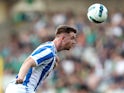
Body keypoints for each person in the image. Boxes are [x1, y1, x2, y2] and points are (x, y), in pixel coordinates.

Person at [5, 25, 77, 93]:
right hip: (23, 89)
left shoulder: (49, 48)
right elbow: (28, 61)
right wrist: (20, 78)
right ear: (63, 38)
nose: (74, 42)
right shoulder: (49, 52)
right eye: (72, 38)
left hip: (18, 88)